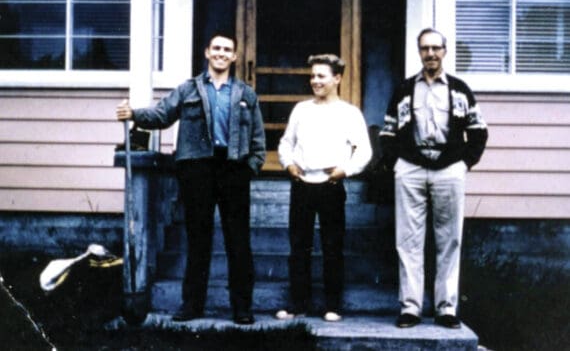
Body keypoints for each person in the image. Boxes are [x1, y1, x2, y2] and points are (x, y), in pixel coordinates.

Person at [116, 32, 265, 325]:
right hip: (197, 170)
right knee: (198, 239)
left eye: (228, 50)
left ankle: (242, 308)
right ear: (207, 53)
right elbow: (161, 114)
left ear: (234, 57)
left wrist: (251, 167)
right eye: (217, 48)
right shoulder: (188, 90)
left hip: (234, 169)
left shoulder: (246, 94)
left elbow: (258, 139)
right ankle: (192, 305)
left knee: (238, 241)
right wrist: (133, 113)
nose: (222, 53)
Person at [380, 28, 488, 329]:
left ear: (444, 51)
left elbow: (479, 131)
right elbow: (387, 133)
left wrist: (464, 163)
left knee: (449, 238)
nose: (430, 54)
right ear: (419, 52)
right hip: (411, 169)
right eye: (425, 48)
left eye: (435, 48)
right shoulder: (404, 89)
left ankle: (446, 308)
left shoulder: (459, 89)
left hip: (449, 167)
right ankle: (411, 308)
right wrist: (397, 164)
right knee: (408, 240)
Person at [276, 54, 372, 322]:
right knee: (299, 246)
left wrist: (346, 170)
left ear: (337, 78)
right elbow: (286, 143)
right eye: (313, 76)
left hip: (331, 185)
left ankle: (332, 305)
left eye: (321, 76)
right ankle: (298, 303)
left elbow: (364, 150)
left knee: (332, 246)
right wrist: (289, 165)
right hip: (303, 185)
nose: (315, 81)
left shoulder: (349, 113)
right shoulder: (301, 110)